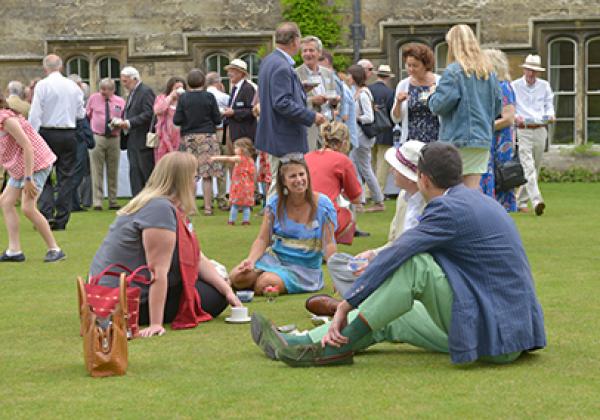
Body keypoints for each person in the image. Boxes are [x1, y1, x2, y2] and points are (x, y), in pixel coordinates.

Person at [252, 142, 546, 367]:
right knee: (390, 314)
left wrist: (349, 301)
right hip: (507, 334)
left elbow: (402, 253)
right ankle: (304, 342)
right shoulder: (474, 200)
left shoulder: (447, 208)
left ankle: (330, 349)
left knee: (415, 265)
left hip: (493, 334)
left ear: (424, 179)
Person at [89, 152, 242, 338]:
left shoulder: (153, 203)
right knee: (212, 296)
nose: (196, 183)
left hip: (106, 295)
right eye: (195, 177)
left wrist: (228, 292)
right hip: (126, 299)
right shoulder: (160, 209)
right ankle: (149, 316)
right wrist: (156, 324)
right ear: (183, 181)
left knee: (217, 286)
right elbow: (157, 272)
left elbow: (197, 257)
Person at [312, 140, 426, 308]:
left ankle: (358, 305)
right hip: (393, 264)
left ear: (409, 176)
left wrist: (378, 266)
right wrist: (372, 254)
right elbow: (395, 243)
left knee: (366, 272)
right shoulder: (403, 197)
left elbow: (417, 254)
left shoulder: (432, 203)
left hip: (412, 271)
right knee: (339, 263)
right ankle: (363, 303)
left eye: (397, 168)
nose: (392, 170)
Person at [229, 155, 337, 295]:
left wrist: (336, 277)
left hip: (304, 268)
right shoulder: (275, 203)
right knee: (236, 277)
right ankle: (253, 283)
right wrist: (251, 260)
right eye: (292, 176)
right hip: (273, 259)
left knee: (265, 281)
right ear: (283, 181)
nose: (299, 180)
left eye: (301, 174)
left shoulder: (323, 205)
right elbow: (263, 239)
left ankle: (260, 284)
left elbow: (329, 244)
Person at [254, 22, 326, 198]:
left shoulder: (269, 61)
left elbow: (274, 97)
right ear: (295, 41)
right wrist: (312, 116)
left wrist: (300, 91)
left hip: (275, 134)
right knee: (283, 185)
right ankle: (272, 223)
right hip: (284, 137)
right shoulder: (281, 66)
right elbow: (281, 103)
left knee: (280, 183)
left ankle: (276, 222)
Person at [428, 24, 502, 189]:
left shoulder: (453, 71)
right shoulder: (489, 72)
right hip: (482, 138)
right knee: (472, 191)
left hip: (457, 139)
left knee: (451, 190)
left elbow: (439, 106)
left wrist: (433, 94)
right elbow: (497, 107)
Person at [0, 93, 65, 262]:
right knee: (6, 202)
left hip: (36, 164)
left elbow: (28, 146)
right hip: (20, 166)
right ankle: (14, 251)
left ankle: (55, 249)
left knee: (28, 208)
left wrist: (28, 179)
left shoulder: (7, 120)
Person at [29, 54, 85, 231]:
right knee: (66, 177)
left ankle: (45, 215)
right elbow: (80, 114)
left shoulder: (42, 86)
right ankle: (61, 219)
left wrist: (32, 137)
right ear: (61, 67)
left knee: (44, 176)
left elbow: (35, 114)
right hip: (68, 133)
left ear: (45, 68)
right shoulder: (73, 86)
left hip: (47, 133)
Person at [173, 68, 222, 216]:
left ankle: (192, 207)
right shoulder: (209, 97)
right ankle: (208, 207)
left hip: (189, 138)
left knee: (191, 175)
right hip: (207, 136)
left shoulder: (184, 98)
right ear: (203, 82)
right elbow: (218, 119)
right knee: (207, 175)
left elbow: (177, 120)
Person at [511, 54, 555, 216]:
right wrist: (516, 118)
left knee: (535, 167)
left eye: (535, 71)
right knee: (528, 166)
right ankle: (537, 201)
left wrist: (550, 115)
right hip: (523, 129)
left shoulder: (544, 86)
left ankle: (520, 201)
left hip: (541, 128)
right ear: (524, 69)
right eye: (529, 70)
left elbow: (548, 105)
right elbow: (510, 108)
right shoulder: (514, 86)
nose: (531, 74)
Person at [305, 121, 362, 244]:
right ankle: (327, 244)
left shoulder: (307, 157)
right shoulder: (343, 161)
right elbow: (356, 198)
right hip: (322, 215)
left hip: (299, 213)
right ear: (344, 141)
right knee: (348, 216)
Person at [480, 49, 518, 212]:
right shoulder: (489, 86)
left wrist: (484, 126)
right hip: (489, 137)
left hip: (500, 139)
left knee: (499, 175)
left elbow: (509, 118)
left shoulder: (503, 86)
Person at [348, 64, 385, 213]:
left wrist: (355, 117)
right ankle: (361, 200)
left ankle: (376, 200)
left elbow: (369, 117)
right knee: (358, 168)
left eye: (350, 75)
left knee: (364, 169)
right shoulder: (359, 92)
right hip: (359, 137)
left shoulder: (363, 94)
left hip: (362, 137)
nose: (347, 78)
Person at [86, 78, 126, 210]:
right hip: (98, 136)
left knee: (113, 169)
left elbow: (125, 118)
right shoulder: (93, 98)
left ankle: (113, 200)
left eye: (106, 89)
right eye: (101, 89)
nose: (103, 92)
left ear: (113, 90)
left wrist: (119, 122)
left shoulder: (120, 101)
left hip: (114, 137)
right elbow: (88, 115)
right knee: (96, 169)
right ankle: (97, 201)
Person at [296, 36, 340, 151]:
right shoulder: (295, 74)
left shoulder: (328, 73)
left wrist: (334, 103)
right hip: (309, 128)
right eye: (305, 51)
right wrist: (312, 101)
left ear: (319, 53)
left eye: (311, 50)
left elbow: (334, 98)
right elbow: (291, 102)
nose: (307, 54)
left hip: (328, 128)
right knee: (310, 164)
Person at [391, 43, 441, 144]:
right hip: (410, 143)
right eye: (408, 65)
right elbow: (396, 119)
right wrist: (399, 103)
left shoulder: (440, 82)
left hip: (437, 141)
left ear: (426, 65)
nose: (411, 69)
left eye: (415, 66)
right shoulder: (403, 85)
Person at [119, 66, 156, 196]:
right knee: (135, 173)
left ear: (134, 79)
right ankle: (137, 202)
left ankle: (149, 201)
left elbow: (149, 113)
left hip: (142, 140)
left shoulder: (145, 92)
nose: (124, 84)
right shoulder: (133, 93)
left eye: (125, 81)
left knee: (145, 173)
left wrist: (129, 123)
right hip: (133, 139)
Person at [211, 138, 256, 226]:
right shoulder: (250, 160)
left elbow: (227, 158)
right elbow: (253, 174)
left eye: (236, 148)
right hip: (248, 186)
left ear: (242, 149)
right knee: (246, 205)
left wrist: (215, 158)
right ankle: (246, 220)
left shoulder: (239, 158)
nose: (234, 149)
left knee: (235, 205)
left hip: (239, 186)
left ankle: (231, 220)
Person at [205, 71, 232, 212]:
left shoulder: (203, 96)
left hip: (207, 134)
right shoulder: (224, 96)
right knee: (223, 166)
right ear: (218, 82)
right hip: (222, 131)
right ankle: (222, 198)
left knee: (207, 168)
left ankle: (207, 200)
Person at [368, 64, 395, 195]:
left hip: (368, 130)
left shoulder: (368, 89)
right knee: (382, 164)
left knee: (369, 164)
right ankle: (378, 193)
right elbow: (393, 115)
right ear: (388, 77)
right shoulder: (390, 93)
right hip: (385, 131)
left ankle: (367, 192)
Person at [223, 59, 257, 142]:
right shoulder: (235, 89)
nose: (229, 74)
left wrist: (234, 112)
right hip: (235, 133)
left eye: (232, 71)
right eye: (229, 71)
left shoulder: (248, 88)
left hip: (245, 135)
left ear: (241, 73)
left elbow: (252, 111)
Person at [153, 76, 186, 162]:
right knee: (164, 164)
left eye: (181, 88)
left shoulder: (184, 100)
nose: (179, 90)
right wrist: (170, 97)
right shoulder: (162, 98)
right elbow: (158, 110)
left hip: (181, 137)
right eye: (177, 88)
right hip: (163, 138)